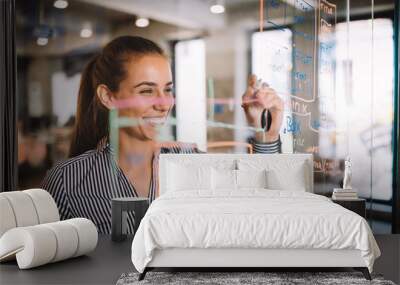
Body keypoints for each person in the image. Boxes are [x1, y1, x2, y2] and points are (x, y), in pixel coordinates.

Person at [41, 36, 284, 234]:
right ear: (108, 97)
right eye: (147, 90)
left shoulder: (193, 160)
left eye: (167, 89)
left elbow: (262, 207)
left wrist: (266, 133)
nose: (163, 104)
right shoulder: (66, 181)